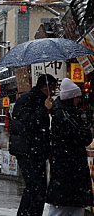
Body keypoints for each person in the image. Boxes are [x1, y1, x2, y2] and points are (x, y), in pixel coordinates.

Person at [9, 74, 58, 216]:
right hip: (27, 150)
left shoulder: (43, 100)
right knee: (34, 186)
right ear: (46, 87)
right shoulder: (27, 99)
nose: (54, 91)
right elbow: (29, 123)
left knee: (40, 187)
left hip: (37, 150)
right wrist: (44, 109)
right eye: (53, 87)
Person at [47, 78, 93, 215]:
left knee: (67, 204)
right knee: (64, 206)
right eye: (76, 97)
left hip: (67, 164)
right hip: (68, 164)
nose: (78, 100)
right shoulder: (63, 115)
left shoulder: (64, 113)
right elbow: (83, 136)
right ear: (71, 97)